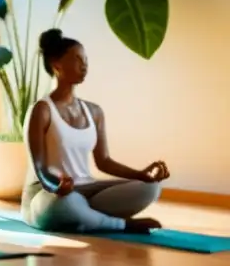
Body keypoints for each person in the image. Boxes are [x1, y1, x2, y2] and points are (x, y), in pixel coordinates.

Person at [22, 28, 168, 234]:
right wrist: (57, 186)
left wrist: (141, 174)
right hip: (48, 195)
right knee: (66, 203)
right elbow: (41, 169)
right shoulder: (42, 110)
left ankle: (87, 217)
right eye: (77, 59)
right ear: (56, 65)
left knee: (150, 187)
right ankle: (120, 224)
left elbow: (104, 161)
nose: (84, 65)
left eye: (86, 60)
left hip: (86, 191)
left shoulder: (94, 111)